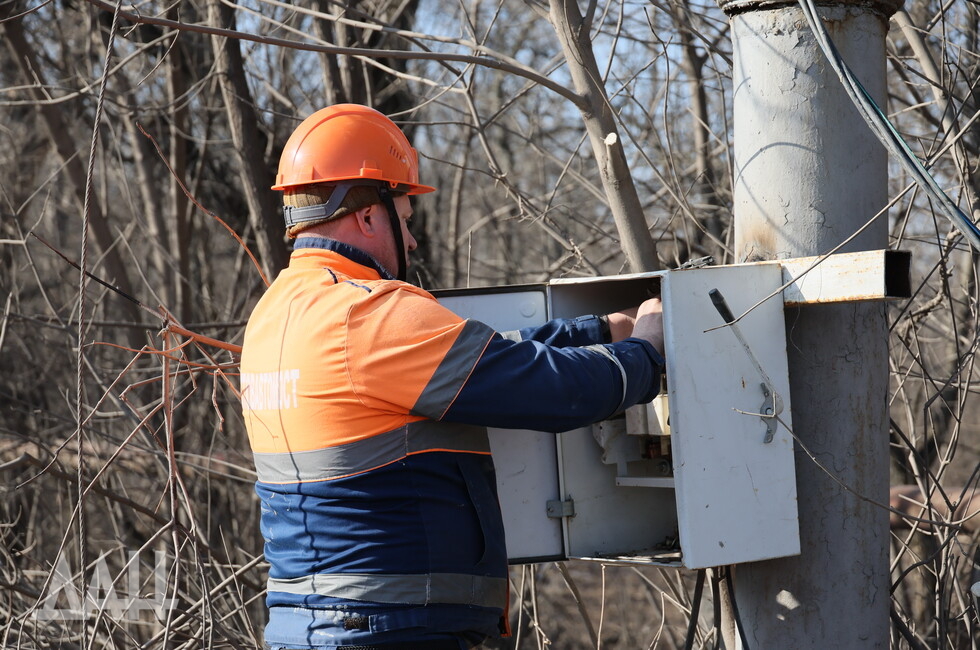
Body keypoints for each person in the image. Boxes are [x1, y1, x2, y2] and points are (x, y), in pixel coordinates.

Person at [239, 104, 666, 650]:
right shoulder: (369, 315)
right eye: (407, 219)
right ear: (368, 216)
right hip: (389, 630)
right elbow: (547, 390)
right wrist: (645, 353)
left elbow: (486, 362)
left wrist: (596, 330)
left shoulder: (276, 316)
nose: (413, 243)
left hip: (308, 626)